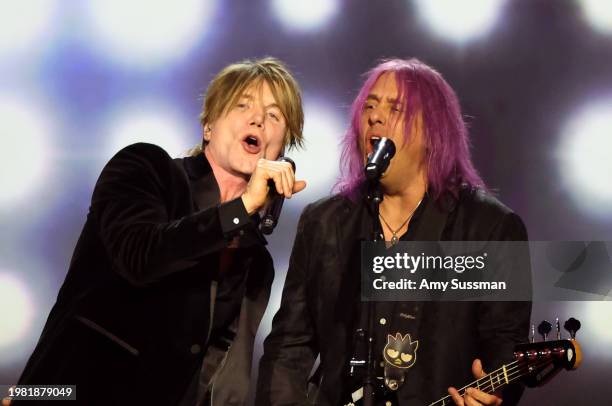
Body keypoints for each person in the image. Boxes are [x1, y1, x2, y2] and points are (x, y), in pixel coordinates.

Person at [16, 57, 306, 406]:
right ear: (209, 126)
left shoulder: (255, 260)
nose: (258, 118)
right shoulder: (146, 169)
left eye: (274, 115)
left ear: (281, 150)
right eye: (243, 105)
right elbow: (141, 257)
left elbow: (223, 373)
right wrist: (240, 208)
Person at [256, 59, 531, 406]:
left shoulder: (490, 229)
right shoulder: (324, 222)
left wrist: (492, 396)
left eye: (395, 108)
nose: (375, 116)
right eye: (369, 106)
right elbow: (289, 345)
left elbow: (504, 349)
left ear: (432, 130)